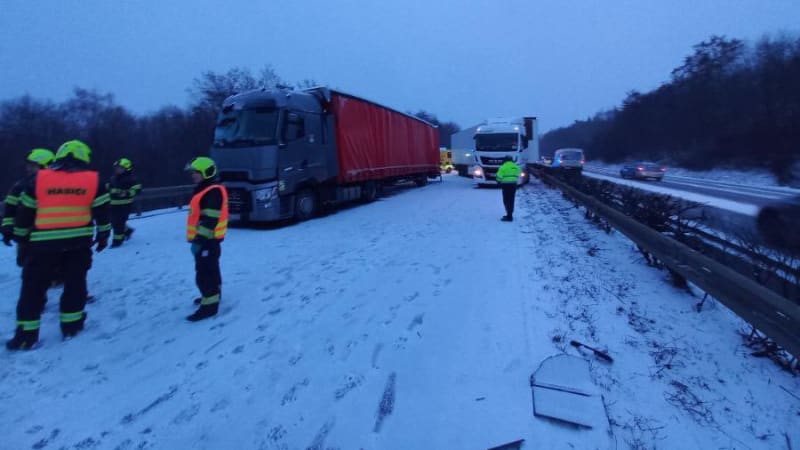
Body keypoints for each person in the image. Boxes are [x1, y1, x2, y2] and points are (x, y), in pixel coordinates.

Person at [6, 140, 111, 351]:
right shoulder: (94, 180)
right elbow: (102, 211)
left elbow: (25, 212)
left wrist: (20, 237)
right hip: (78, 244)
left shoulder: (37, 179)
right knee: (75, 284)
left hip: (42, 245)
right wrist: (103, 235)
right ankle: (72, 326)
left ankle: (26, 335)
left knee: (33, 289)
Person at [185, 156, 228, 322]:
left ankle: (209, 306)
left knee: (204, 274)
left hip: (207, 241)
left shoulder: (212, 191)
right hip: (209, 241)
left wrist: (198, 240)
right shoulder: (207, 188)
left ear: (205, 173)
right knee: (212, 269)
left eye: (195, 172)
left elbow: (210, 220)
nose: (193, 175)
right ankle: (214, 295)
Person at [2, 148, 55, 267]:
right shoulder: (21, 185)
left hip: (50, 235)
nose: (28, 168)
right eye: (29, 165)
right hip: (28, 235)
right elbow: (9, 208)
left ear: (45, 166)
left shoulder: (57, 185)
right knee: (28, 265)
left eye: (33, 166)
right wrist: (7, 228)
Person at [106, 157, 142, 248]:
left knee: (118, 223)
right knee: (114, 221)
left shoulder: (132, 179)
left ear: (126, 168)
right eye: (116, 168)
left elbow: (137, 189)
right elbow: (107, 187)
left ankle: (117, 241)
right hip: (112, 204)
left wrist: (127, 193)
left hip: (125, 205)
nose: (117, 170)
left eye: (120, 168)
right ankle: (127, 231)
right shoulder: (113, 178)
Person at [496, 155, 521, 222]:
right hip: (513, 185)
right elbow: (519, 174)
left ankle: (509, 216)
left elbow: (499, 177)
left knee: (506, 200)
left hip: (505, 185)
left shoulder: (503, 167)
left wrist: (498, 181)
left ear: (505, 160)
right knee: (511, 200)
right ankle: (510, 214)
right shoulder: (516, 167)